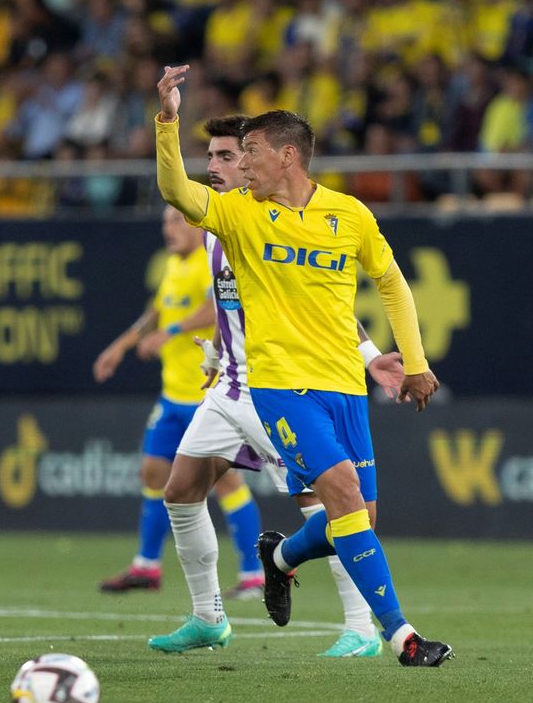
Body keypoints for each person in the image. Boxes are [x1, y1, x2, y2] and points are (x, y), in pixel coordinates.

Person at [154, 65, 452, 667]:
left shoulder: (349, 216)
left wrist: (407, 363)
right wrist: (166, 121)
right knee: (337, 496)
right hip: (274, 387)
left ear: (286, 156)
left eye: (250, 152)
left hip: (343, 387)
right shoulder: (236, 215)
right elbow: (177, 193)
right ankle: (397, 635)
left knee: (357, 516)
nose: (237, 164)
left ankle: (282, 558)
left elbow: (384, 287)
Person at [92, 207, 264, 595]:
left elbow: (213, 308)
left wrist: (170, 332)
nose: (168, 228)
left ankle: (254, 573)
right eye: (165, 221)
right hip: (173, 395)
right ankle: (147, 566)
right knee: (153, 472)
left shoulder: (211, 257)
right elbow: (156, 310)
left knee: (225, 481)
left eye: (176, 220)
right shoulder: (175, 264)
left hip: (210, 394)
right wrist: (121, 346)